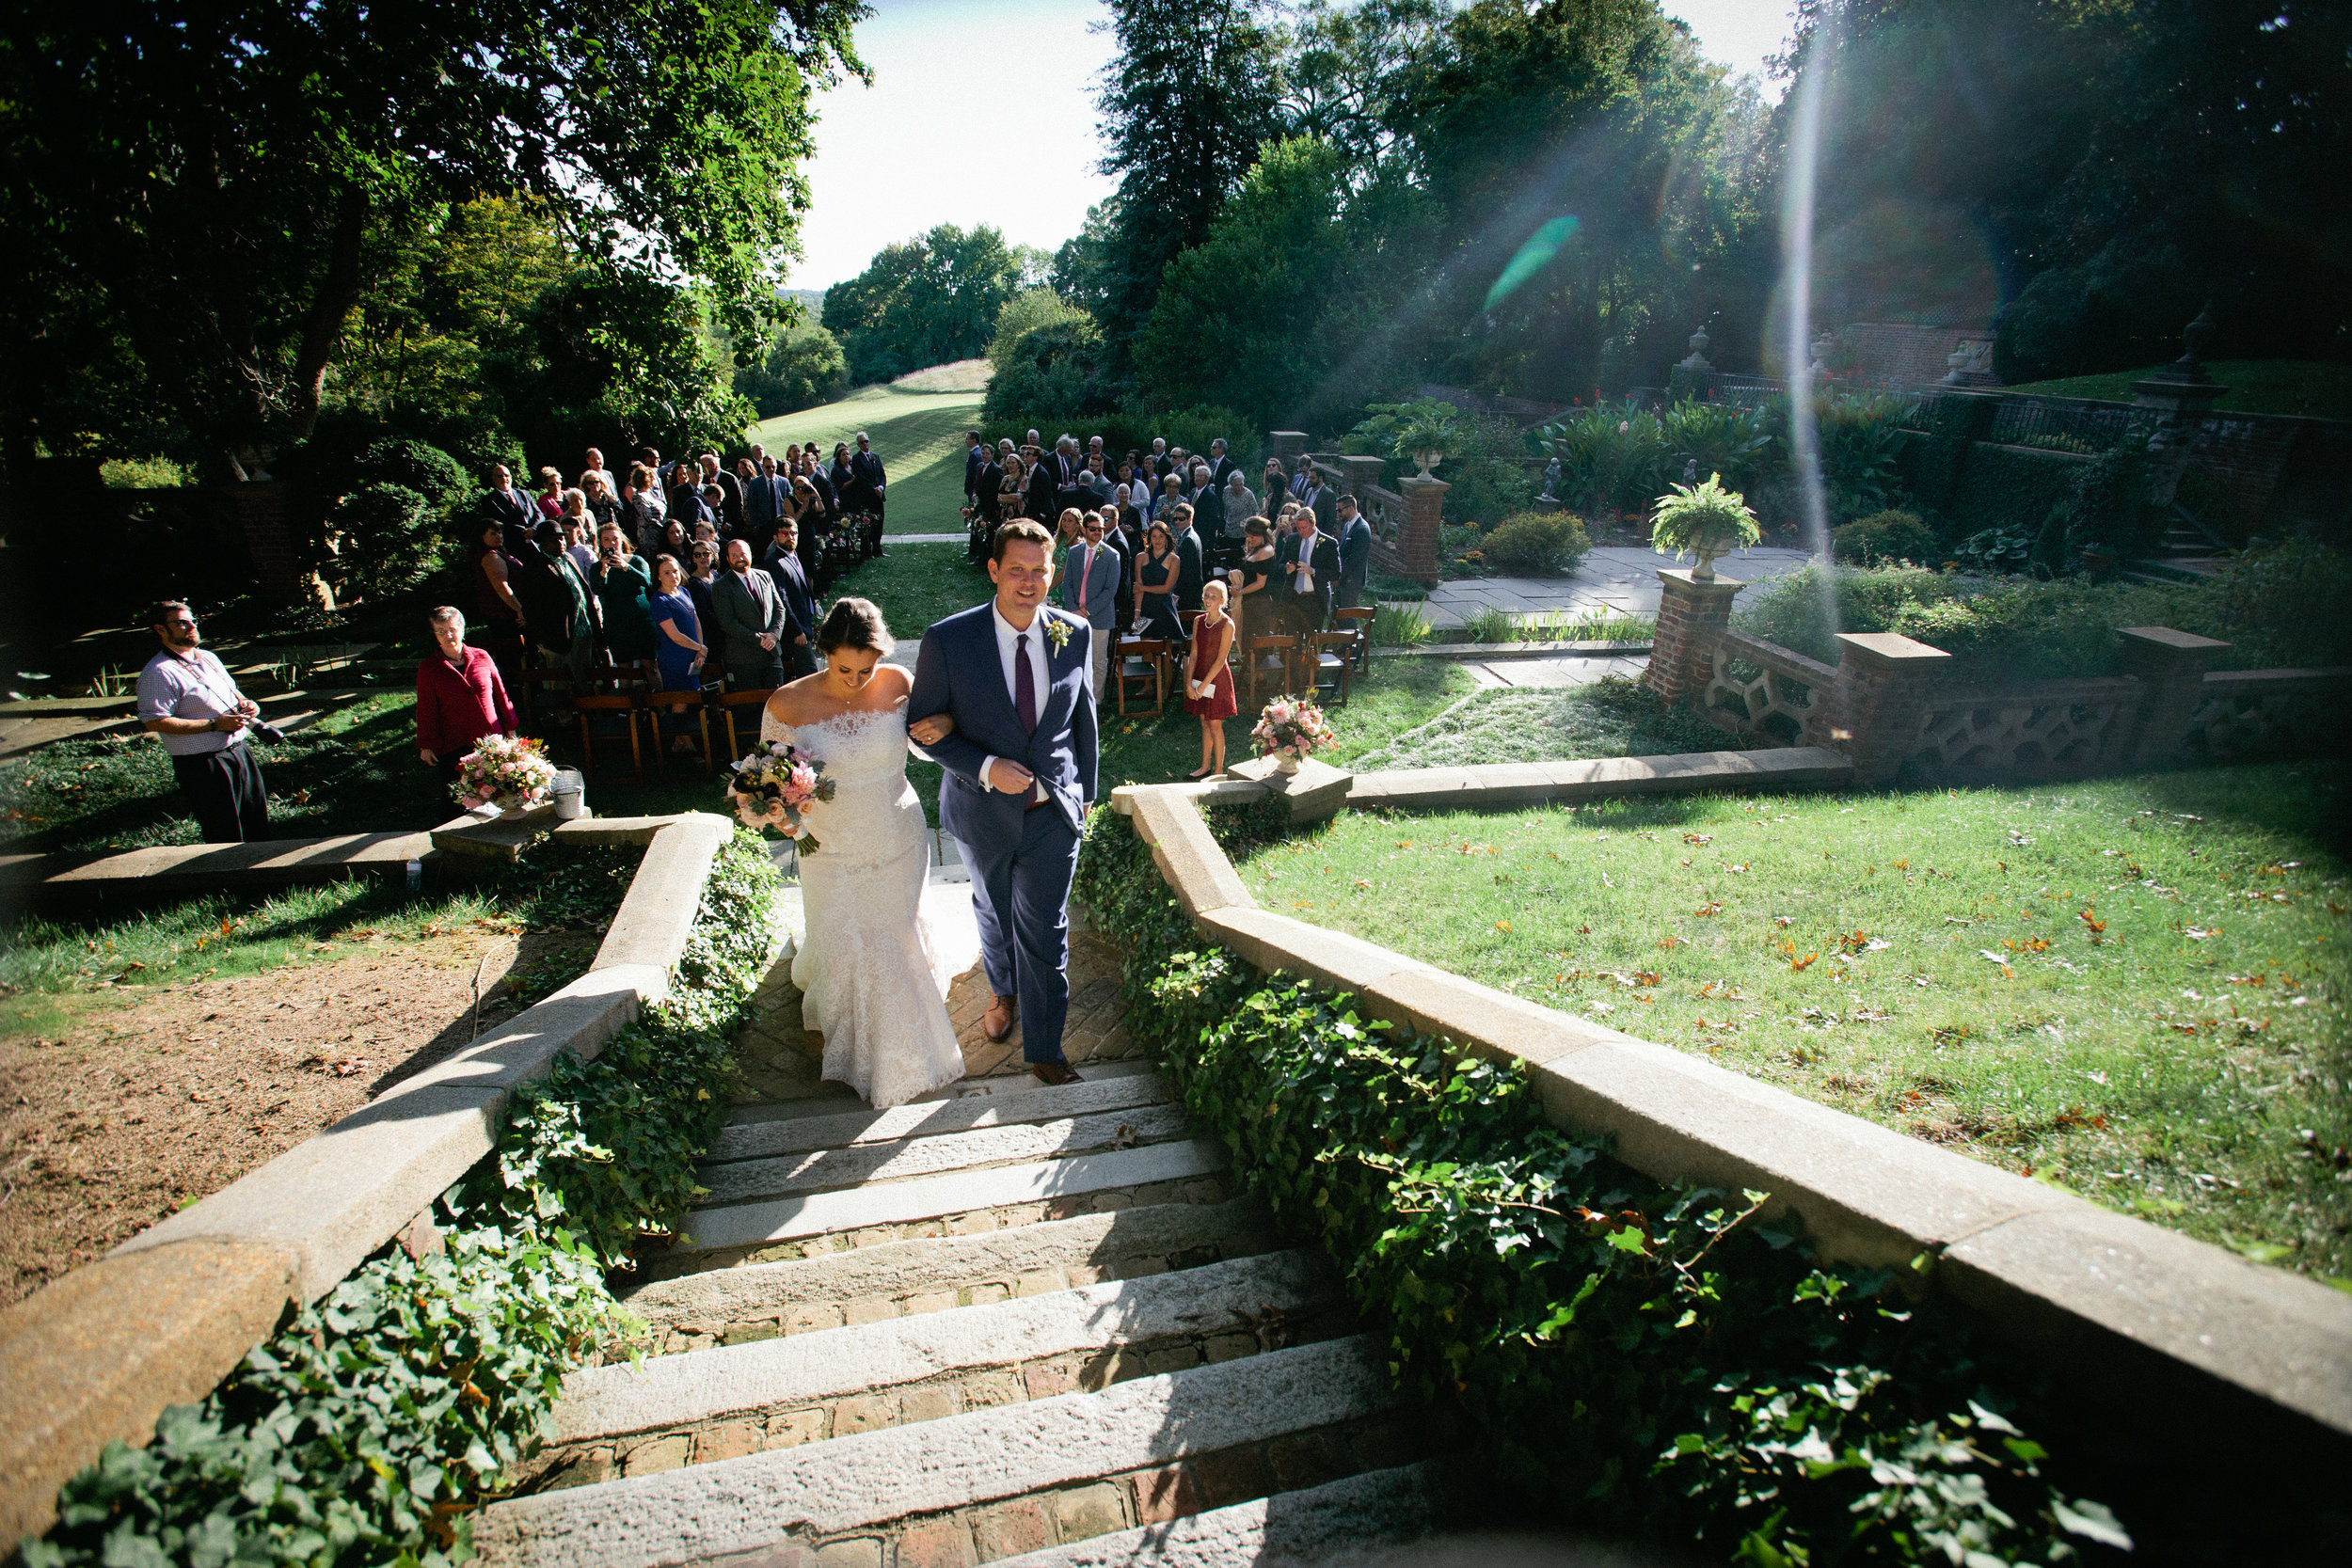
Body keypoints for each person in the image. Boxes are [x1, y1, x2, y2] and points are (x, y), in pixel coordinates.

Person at [907, 521, 1100, 1087]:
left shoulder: (1074, 633)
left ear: (1052, 573)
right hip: (980, 813)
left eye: (1039, 570)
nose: (1028, 581)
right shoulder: (949, 639)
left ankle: (1045, 1050)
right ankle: (1004, 990)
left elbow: (1083, 718)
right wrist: (987, 767)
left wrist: (1084, 794)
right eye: (1015, 569)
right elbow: (921, 730)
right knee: (993, 911)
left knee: (1045, 926)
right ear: (993, 570)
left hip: (1051, 816)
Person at [762, 598, 966, 1108]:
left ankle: (896, 1055)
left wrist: (942, 724)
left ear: (882, 656)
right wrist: (776, 810)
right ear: (825, 653)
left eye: (865, 668)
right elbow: (769, 778)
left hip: (895, 829)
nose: (855, 679)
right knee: (843, 937)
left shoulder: (899, 682)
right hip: (827, 845)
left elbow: (929, 740)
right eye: (843, 668)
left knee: (892, 934)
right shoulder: (786, 704)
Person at [137, 600, 269, 843]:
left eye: (193, 621)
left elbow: (234, 692)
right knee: (225, 832)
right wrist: (214, 725)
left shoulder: (208, 657)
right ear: (160, 630)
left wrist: (248, 704)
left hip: (239, 752)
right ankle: (230, 879)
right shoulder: (159, 672)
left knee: (256, 821)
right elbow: (155, 721)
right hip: (203, 764)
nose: (192, 626)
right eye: (181, 622)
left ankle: (263, 873)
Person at [416, 606, 516, 785]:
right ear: (435, 635)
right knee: (460, 799)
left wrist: (510, 728)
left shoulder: (482, 657)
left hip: (490, 738)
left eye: (452, 629)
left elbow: (501, 694)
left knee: (499, 790)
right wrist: (426, 744)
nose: (448, 635)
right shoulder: (428, 668)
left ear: (462, 629)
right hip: (454, 743)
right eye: (441, 631)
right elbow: (426, 708)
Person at [1061, 511, 1122, 698]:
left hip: (1099, 617)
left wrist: (1087, 611)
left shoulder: (1111, 555)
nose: (1097, 532)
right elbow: (1067, 582)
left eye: (1101, 529)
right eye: (1093, 529)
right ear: (1084, 529)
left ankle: (1096, 700)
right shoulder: (1074, 552)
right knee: (1075, 658)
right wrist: (1073, 610)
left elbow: (1110, 590)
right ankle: (1077, 697)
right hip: (1074, 614)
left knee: (1098, 661)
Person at [1183, 579, 1238, 779]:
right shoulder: (1199, 621)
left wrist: (1202, 687)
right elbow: (1194, 653)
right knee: (1204, 723)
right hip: (1199, 676)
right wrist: (1189, 683)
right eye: (1206, 595)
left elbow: (1221, 659)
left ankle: (1218, 770)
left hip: (1217, 679)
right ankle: (1205, 766)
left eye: (1213, 597)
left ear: (1223, 600)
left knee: (1215, 725)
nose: (1208, 600)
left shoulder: (1227, 625)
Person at [648, 555, 707, 738]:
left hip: (693, 655)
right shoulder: (659, 601)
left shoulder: (684, 591)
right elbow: (674, 635)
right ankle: (680, 741)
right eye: (666, 573)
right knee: (680, 699)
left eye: (675, 571)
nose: (673, 576)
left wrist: (700, 649)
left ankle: (686, 740)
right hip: (675, 657)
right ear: (658, 576)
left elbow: (695, 620)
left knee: (692, 697)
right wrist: (698, 647)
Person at [468, 516, 529, 696]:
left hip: (504, 613)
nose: (498, 536)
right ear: (481, 537)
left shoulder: (495, 553)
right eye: (493, 533)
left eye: (499, 532)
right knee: (511, 656)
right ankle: (514, 695)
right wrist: (519, 610)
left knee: (513, 656)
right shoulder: (490, 557)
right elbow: (502, 588)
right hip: (504, 615)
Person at [716, 537, 787, 689]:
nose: (739, 559)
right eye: (734, 556)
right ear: (727, 559)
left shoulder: (764, 576)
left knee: (777, 704)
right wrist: (759, 640)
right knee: (751, 710)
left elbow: (779, 609)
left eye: (742, 554)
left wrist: (774, 634)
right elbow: (728, 623)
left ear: (750, 554)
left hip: (771, 653)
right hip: (744, 659)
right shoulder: (722, 586)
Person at [590, 522, 657, 680]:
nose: (611, 543)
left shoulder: (637, 561)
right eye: (606, 540)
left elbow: (647, 582)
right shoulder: (596, 567)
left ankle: (660, 703)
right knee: (624, 670)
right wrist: (603, 572)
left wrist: (626, 566)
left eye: (615, 539)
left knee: (650, 666)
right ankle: (628, 702)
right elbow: (597, 590)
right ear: (601, 543)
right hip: (617, 623)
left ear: (622, 540)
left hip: (641, 621)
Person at [764, 516, 820, 679]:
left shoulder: (793, 555)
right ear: (775, 537)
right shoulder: (775, 562)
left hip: (804, 623)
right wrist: (797, 630)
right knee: (809, 676)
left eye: (793, 533)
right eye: (785, 533)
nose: (790, 536)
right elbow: (781, 600)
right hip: (794, 632)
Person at [1277, 505, 1341, 632]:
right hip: (1293, 598)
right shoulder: (1292, 539)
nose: (1301, 532)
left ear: (1313, 523)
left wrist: (1313, 571)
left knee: (1312, 643)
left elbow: (1336, 574)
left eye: (1304, 528)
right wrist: (1287, 569)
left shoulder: (1328, 543)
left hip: (1315, 599)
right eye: (1298, 528)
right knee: (1292, 641)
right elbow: (1280, 566)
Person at [1135, 520, 1184, 645]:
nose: (1158, 540)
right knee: (1146, 647)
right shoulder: (1140, 557)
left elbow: (1167, 588)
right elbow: (1137, 588)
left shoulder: (1174, 559)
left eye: (1161, 536)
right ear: (1149, 538)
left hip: (1164, 608)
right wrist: (1137, 612)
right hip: (1146, 607)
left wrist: (1143, 588)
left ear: (1166, 538)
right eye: (1154, 536)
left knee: (1166, 650)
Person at [1232, 515, 1279, 644]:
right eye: (1248, 536)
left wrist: (1240, 592)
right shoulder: (1256, 549)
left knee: (1255, 642)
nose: (1249, 540)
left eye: (1252, 537)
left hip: (1259, 604)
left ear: (1262, 535)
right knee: (1246, 639)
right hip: (1250, 601)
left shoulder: (1265, 551)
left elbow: (1260, 583)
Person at [1335, 493, 1375, 610]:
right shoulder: (1347, 525)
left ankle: (1355, 630)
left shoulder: (1362, 529)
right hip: (1344, 578)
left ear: (1351, 508)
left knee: (1347, 614)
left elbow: (1354, 559)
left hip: (1352, 580)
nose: (1338, 513)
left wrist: (1340, 577)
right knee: (1338, 613)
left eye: (1340, 510)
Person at [482, 463, 533, 550]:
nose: (504, 478)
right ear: (493, 479)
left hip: (534, 542)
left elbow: (539, 514)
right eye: (499, 476)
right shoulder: (489, 500)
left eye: (507, 475)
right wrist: (523, 531)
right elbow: (496, 523)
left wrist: (533, 529)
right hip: (512, 546)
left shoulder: (524, 494)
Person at [1168, 501, 1206, 615]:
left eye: (1181, 519)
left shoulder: (1188, 539)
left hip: (1188, 592)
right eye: (1176, 519)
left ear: (1190, 519)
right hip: (1191, 590)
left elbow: (1185, 571)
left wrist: (1177, 593)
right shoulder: (1190, 536)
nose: (1178, 522)